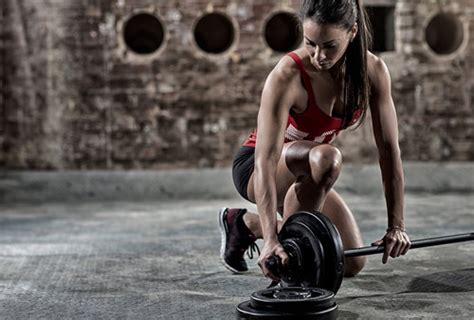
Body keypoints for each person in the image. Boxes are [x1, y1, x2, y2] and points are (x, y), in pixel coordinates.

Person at [218, 0, 411, 281]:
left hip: (309, 171)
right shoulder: (287, 75)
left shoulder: (374, 72)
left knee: (349, 261)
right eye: (311, 43)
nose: (319, 55)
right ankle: (271, 236)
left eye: (329, 46)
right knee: (327, 158)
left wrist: (397, 226)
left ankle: (244, 223)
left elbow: (390, 151)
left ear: (353, 32)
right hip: (258, 170)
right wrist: (272, 241)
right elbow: (265, 161)